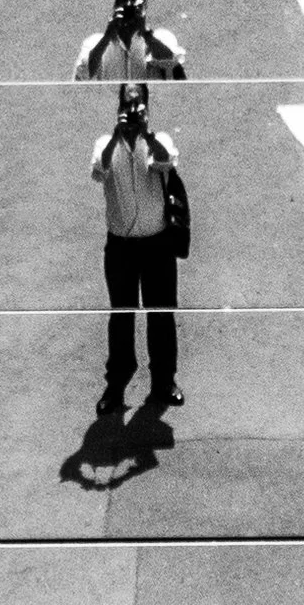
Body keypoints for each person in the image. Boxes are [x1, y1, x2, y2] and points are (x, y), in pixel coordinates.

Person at [90, 82, 181, 412]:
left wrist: (147, 133)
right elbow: (99, 172)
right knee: (121, 315)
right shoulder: (105, 144)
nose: (132, 111)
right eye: (127, 105)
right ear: (118, 107)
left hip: (157, 244)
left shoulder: (160, 140)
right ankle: (115, 386)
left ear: (146, 106)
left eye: (138, 104)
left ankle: (164, 381)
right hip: (121, 247)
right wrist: (117, 136)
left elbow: (165, 163)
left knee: (161, 316)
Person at [73, 0, 187, 82]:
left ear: (145, 3)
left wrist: (145, 34)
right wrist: (107, 37)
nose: (128, 4)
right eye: (123, 0)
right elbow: (84, 74)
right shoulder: (94, 42)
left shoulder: (162, 37)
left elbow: (171, 62)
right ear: (115, 4)